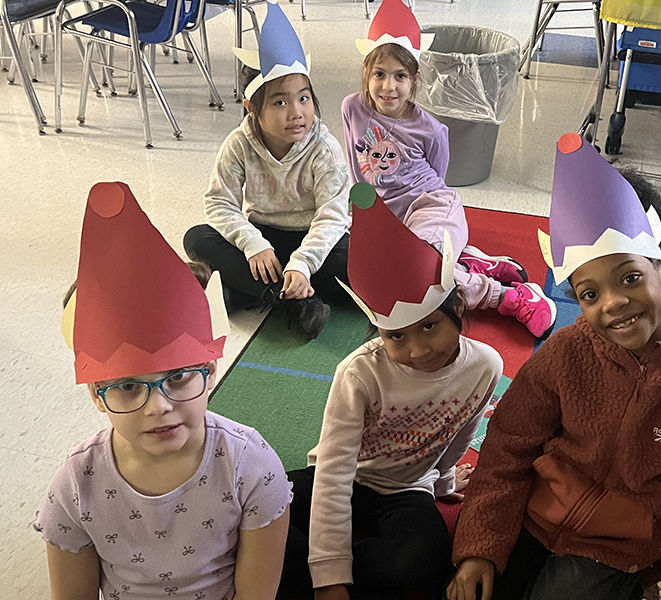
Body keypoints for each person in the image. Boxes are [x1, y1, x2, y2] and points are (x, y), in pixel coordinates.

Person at [447, 133, 661, 600]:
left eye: (631, 278)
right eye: (590, 294)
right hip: (533, 515)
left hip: (613, 548)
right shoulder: (565, 352)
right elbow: (507, 447)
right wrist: (479, 547)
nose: (613, 303)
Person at [35, 182, 293, 600]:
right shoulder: (76, 485)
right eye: (128, 385)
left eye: (178, 378)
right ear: (96, 394)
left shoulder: (251, 466)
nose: (159, 406)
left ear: (209, 371)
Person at [279, 183, 503, 600]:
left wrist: (444, 479)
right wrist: (330, 579)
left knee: (421, 564)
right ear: (378, 331)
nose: (416, 349)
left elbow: (460, 433)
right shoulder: (359, 373)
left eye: (429, 326)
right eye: (396, 335)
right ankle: (319, 565)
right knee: (257, 507)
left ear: (457, 310)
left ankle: (313, 567)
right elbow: (333, 471)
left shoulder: (485, 366)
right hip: (345, 478)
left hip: (405, 489)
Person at [341, 0, 556, 339]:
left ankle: (509, 297)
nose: (388, 86)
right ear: (366, 74)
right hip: (388, 219)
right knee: (378, 283)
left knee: (418, 273)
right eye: (379, 75)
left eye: (400, 76)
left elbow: (438, 178)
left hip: (431, 206)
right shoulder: (352, 107)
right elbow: (358, 167)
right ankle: (467, 263)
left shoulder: (430, 128)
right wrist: (363, 216)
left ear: (414, 81)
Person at [184, 0, 350, 338]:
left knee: (359, 263)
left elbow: (333, 216)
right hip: (265, 239)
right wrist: (252, 243)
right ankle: (291, 300)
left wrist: (303, 263)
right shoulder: (239, 143)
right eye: (280, 102)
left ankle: (244, 290)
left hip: (313, 238)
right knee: (197, 237)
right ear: (251, 110)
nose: (296, 112)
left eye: (304, 98)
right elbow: (219, 203)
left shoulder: (324, 148)